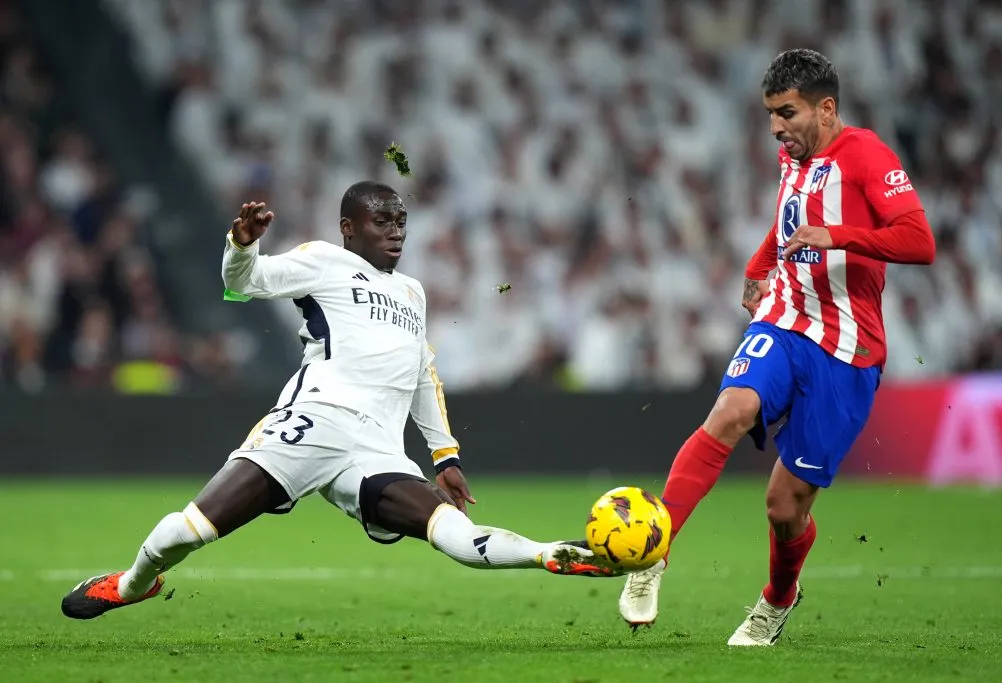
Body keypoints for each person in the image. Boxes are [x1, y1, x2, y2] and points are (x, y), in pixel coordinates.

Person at [61, 181, 615, 620]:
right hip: (313, 421)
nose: (396, 232)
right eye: (383, 221)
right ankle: (134, 584)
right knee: (192, 531)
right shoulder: (323, 260)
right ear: (350, 228)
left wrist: (445, 457)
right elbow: (243, 284)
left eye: (401, 221)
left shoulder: (412, 292)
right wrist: (241, 245)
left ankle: (550, 553)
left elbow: (421, 371)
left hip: (376, 450)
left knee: (456, 537)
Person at [617, 49, 936, 645]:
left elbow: (920, 241)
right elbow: (789, 223)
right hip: (785, 319)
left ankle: (778, 597)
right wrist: (759, 264)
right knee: (731, 411)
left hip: (846, 349)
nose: (776, 128)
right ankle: (652, 554)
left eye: (786, 113)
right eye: (769, 114)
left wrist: (839, 236)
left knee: (784, 508)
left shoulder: (866, 155)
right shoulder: (794, 155)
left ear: (827, 108)